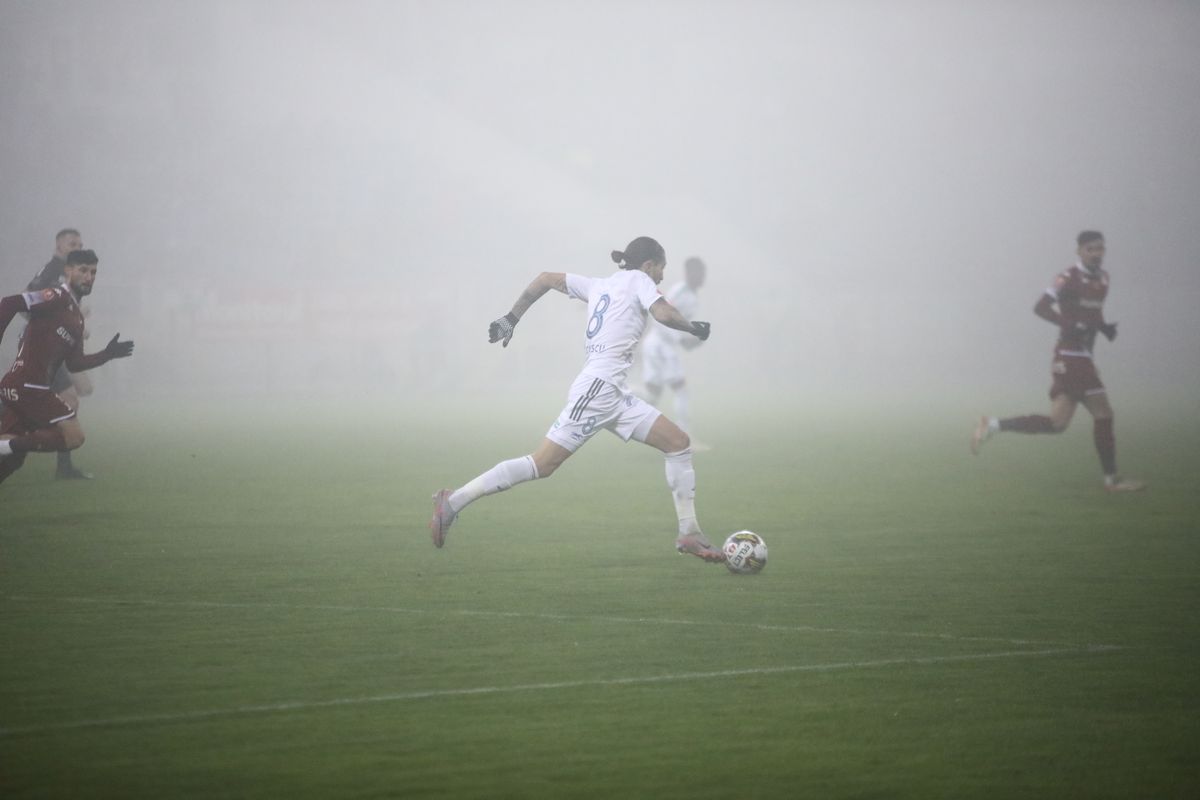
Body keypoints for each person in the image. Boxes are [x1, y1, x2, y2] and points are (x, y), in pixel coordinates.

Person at [429, 236, 723, 561]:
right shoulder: (639, 279)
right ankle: (452, 502)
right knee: (541, 464)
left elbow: (544, 279)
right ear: (649, 264)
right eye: (661, 269)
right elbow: (664, 314)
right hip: (597, 390)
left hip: (613, 393)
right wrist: (693, 328)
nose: (662, 278)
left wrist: (512, 318)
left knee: (678, 443)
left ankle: (689, 533)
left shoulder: (598, 284)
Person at [970, 231, 1145, 492]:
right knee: (1103, 413)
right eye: (1091, 249)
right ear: (1079, 251)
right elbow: (1040, 307)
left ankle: (993, 425)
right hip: (1071, 355)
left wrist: (1103, 327)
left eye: (1100, 248)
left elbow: (1092, 313)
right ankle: (1111, 480)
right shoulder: (1067, 278)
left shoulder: (1104, 279)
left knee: (1057, 424)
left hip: (1078, 356)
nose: (1097, 253)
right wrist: (1068, 324)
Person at [0, 250, 134, 486]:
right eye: (83, 270)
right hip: (29, 386)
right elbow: (10, 303)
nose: (89, 276)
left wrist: (107, 354)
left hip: (24, 386)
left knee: (12, 460)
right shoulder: (56, 296)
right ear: (68, 271)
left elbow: (74, 363)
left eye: (93, 272)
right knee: (73, 436)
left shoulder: (77, 318)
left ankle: (6, 446)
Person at [27, 228, 95, 479]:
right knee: (67, 399)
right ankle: (17, 441)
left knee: (72, 398)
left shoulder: (69, 275)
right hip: (42, 350)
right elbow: (28, 304)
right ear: (59, 247)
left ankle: (63, 467)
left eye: (79, 243)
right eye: (71, 243)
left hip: (54, 350)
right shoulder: (51, 272)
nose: (77, 247)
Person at [641, 256, 706, 441]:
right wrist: (682, 340)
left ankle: (620, 396)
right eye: (698, 273)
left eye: (703, 273)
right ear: (689, 273)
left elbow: (678, 322)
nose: (701, 277)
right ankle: (685, 437)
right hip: (662, 344)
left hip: (659, 344)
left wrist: (691, 338)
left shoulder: (693, 296)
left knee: (652, 395)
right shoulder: (680, 291)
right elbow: (663, 315)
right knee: (680, 388)